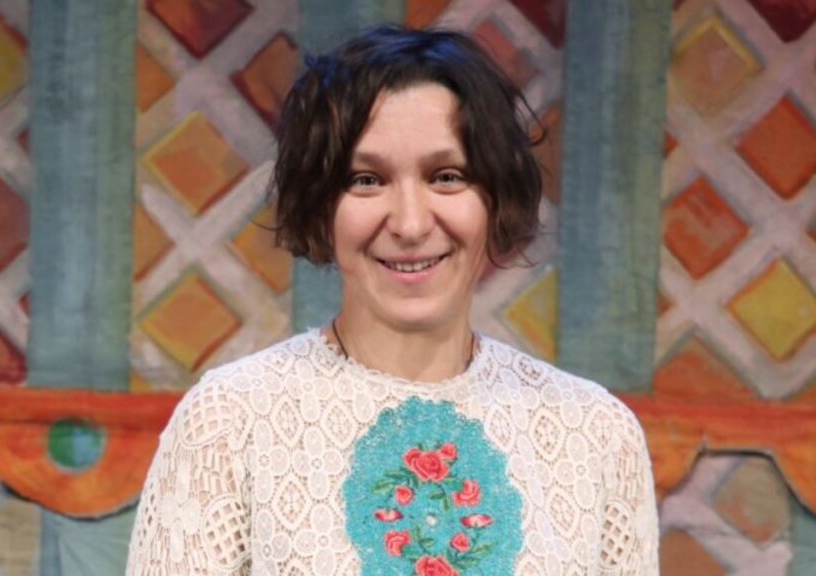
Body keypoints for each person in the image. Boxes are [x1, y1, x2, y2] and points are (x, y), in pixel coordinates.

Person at [126, 25, 659, 575]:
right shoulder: (228, 422)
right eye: (366, 180)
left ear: (494, 198)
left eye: (446, 176)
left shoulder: (597, 434)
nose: (409, 224)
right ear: (321, 206)